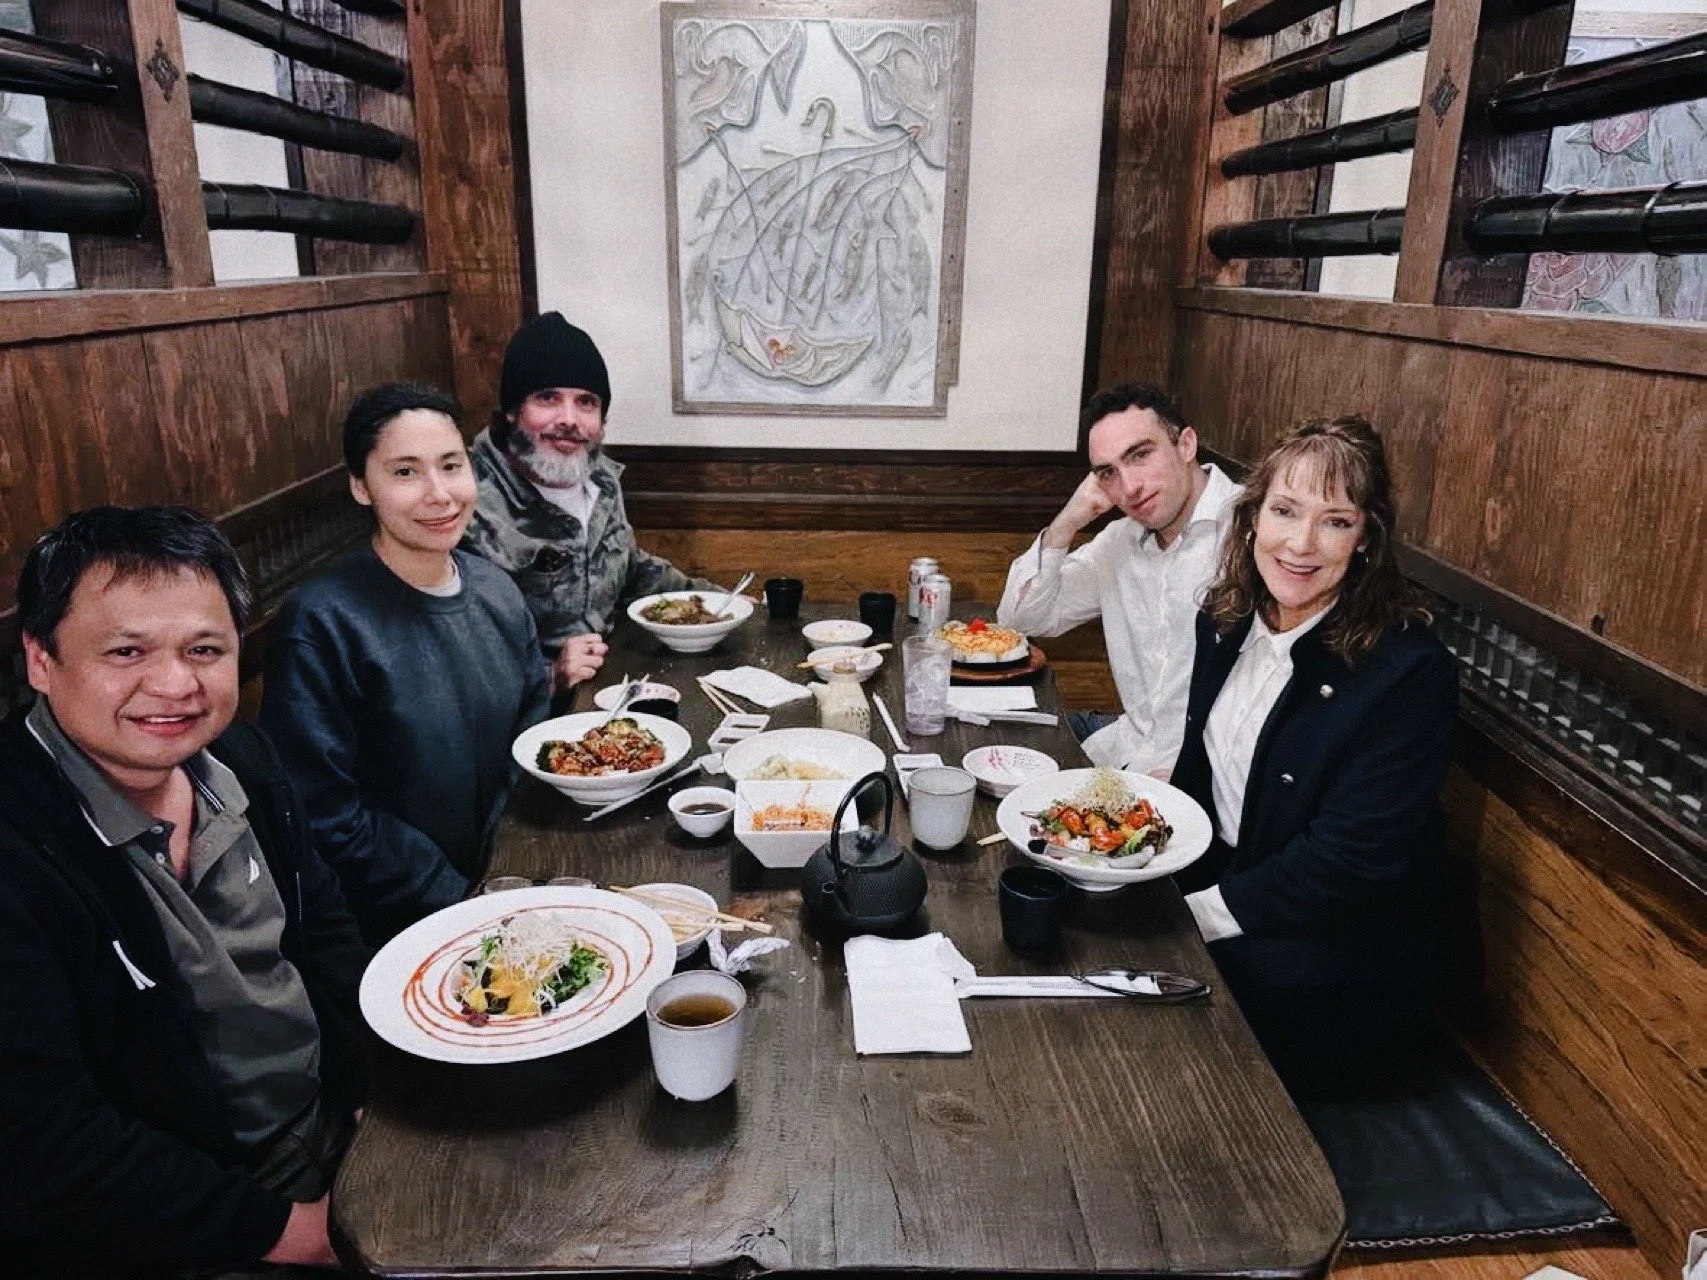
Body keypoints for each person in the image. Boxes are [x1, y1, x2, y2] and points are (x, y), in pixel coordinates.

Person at [0, 506, 367, 1276]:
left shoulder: (241, 757)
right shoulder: (19, 849)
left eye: (205, 649)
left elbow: (325, 935)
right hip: (182, 1232)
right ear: (39, 658)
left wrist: (371, 1096)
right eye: (126, 650)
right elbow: (46, 1148)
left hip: (336, 1143)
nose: (174, 685)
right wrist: (295, 1231)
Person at [1169, 415, 1460, 1089]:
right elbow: (1196, 775)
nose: (1300, 545)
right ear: (1250, 520)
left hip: (1342, 960)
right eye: (1284, 511)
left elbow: (1346, 864)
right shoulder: (1225, 619)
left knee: (1151, 1006)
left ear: (1364, 539)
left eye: (1334, 521)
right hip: (1238, 898)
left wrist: (1193, 917)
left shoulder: (1408, 672)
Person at [262, 383, 550, 945]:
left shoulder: (495, 588)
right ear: (360, 486)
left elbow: (532, 730)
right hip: (391, 926)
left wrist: (508, 867)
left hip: (507, 891)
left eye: (451, 465)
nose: (440, 495)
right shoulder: (320, 623)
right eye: (405, 473)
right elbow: (324, 813)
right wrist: (456, 897)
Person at [461, 311, 715, 694]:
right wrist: (548, 678)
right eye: (547, 398)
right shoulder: (464, 503)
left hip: (612, 688)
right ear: (512, 410)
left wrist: (722, 603)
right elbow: (455, 663)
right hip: (527, 723)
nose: (568, 419)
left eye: (586, 402)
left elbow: (633, 570)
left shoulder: (602, 481)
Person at [997, 383, 1240, 776]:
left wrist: (1192, 777)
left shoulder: (1255, 533)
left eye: (1140, 455)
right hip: (1123, 748)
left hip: (1205, 775)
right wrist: (1069, 520)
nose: (1129, 488)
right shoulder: (1119, 542)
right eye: (1108, 473)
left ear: (1187, 445)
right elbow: (1021, 620)